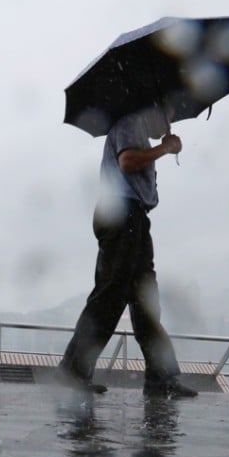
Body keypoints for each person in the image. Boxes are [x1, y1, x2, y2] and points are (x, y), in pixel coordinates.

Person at [56, 103, 198, 398]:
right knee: (111, 293)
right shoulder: (131, 122)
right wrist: (165, 149)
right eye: (169, 114)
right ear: (154, 109)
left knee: (145, 300)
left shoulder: (138, 131)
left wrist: (160, 149)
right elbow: (129, 161)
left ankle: (161, 378)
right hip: (122, 214)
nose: (170, 120)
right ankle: (73, 371)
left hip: (133, 217)